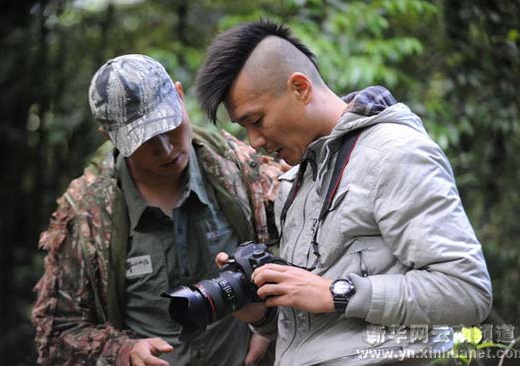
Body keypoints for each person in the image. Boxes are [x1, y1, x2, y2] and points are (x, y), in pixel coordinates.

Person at [195, 21, 493, 365]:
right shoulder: (295, 184)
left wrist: (336, 292)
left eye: (257, 120)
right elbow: (323, 329)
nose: (255, 141)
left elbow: (467, 291)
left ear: (300, 88)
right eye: (244, 127)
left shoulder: (395, 154)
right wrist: (260, 312)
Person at [31, 54, 287, 366]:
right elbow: (57, 329)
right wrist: (121, 352)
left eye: (170, 126)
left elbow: (304, 258)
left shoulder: (240, 170)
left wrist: (269, 323)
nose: (166, 149)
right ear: (109, 136)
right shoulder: (88, 213)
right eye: (145, 140)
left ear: (179, 94)